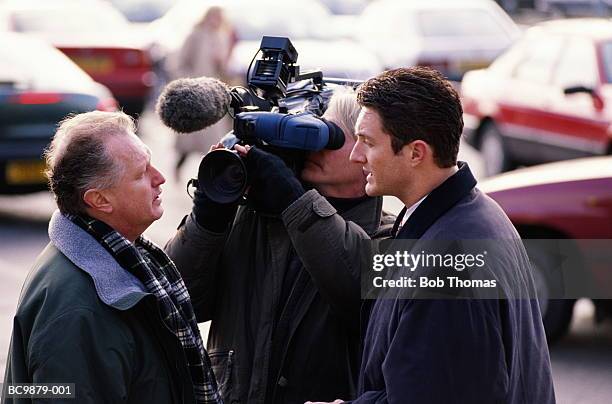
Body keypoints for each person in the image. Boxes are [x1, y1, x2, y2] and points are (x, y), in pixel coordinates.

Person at [309, 67, 556, 404]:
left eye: (367, 142)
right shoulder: (475, 214)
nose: (356, 155)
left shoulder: (448, 264)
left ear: (416, 153)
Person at [165, 89, 395, 404]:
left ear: (363, 151)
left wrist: (295, 202)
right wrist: (207, 220)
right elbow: (181, 302)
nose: (314, 148)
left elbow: (360, 295)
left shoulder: (389, 235)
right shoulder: (257, 218)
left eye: (328, 137)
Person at [2, 111, 221, 404]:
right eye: (141, 173)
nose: (160, 178)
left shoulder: (120, 256)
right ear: (99, 200)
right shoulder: (76, 311)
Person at [171, 5, 235, 180]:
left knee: (214, 139)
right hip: (194, 91)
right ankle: (178, 168)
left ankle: (212, 176)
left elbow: (224, 69)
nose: (216, 21)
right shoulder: (195, 35)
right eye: (213, 17)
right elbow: (180, 63)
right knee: (189, 140)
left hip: (212, 93)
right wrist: (189, 83)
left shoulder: (222, 37)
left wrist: (222, 63)